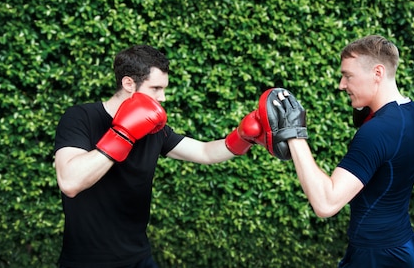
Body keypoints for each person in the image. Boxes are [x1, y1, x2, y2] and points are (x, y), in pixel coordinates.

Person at [53, 44, 269, 268]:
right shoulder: (80, 118)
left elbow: (205, 152)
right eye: (155, 88)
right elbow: (70, 182)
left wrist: (244, 138)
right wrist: (123, 134)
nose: (163, 97)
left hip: (139, 258)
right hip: (85, 262)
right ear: (129, 84)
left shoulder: (154, 129)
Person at [276, 35, 414, 267]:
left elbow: (326, 204)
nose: (341, 84)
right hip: (402, 246)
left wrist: (294, 134)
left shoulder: (378, 131)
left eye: (348, 75)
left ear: (377, 73)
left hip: (377, 258)